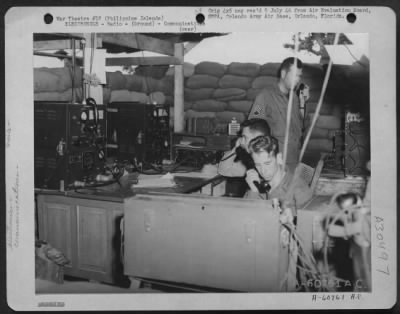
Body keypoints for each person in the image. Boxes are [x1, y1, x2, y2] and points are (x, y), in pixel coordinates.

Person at [248, 57, 305, 171]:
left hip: (294, 160)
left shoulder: (294, 98)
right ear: (283, 74)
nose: (298, 80)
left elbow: (298, 129)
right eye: (295, 75)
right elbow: (253, 127)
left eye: (299, 76)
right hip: (275, 163)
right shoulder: (264, 97)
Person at [245, 135, 313, 215]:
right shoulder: (257, 182)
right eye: (258, 165)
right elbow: (246, 217)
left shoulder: (298, 188)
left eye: (267, 163)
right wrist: (253, 191)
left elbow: (307, 223)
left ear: (279, 158)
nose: (263, 171)